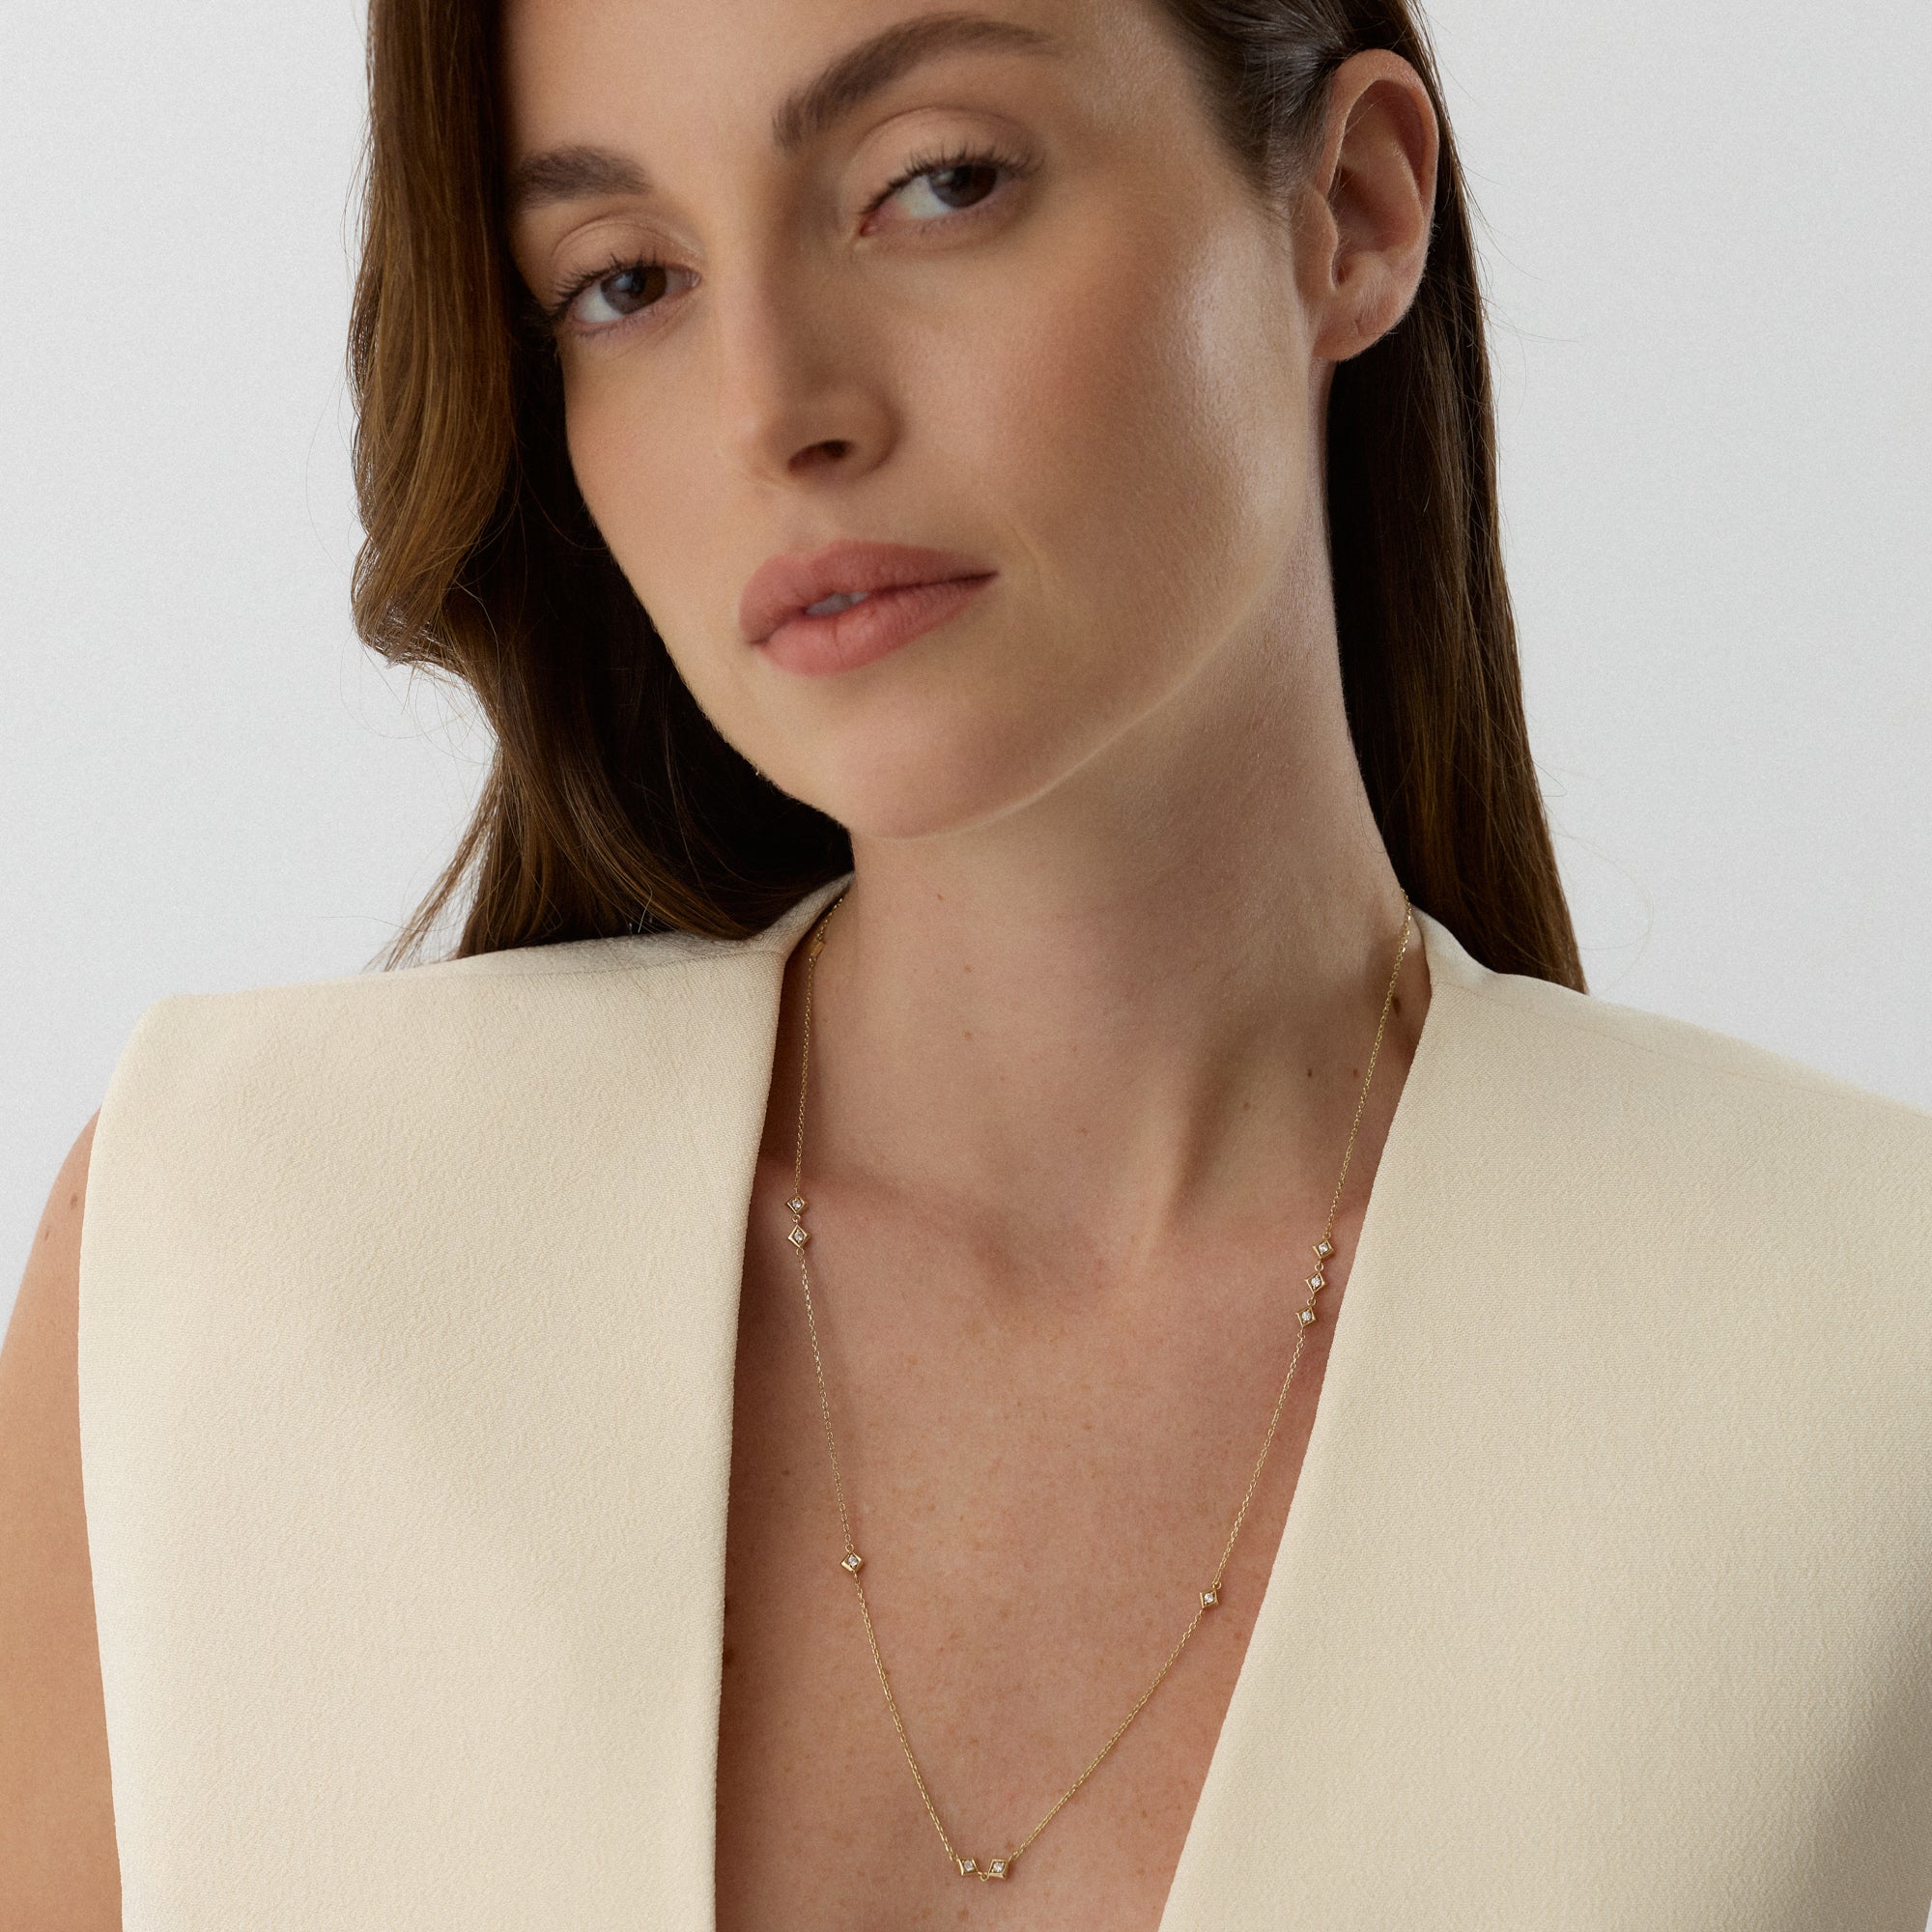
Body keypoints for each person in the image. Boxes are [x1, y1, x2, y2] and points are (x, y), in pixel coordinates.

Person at [5, 0, 1929, 1924]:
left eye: (938, 185)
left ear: (1348, 209)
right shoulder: (226, 1261)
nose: (776, 409)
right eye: (625, 282)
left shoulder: (1865, 1355)